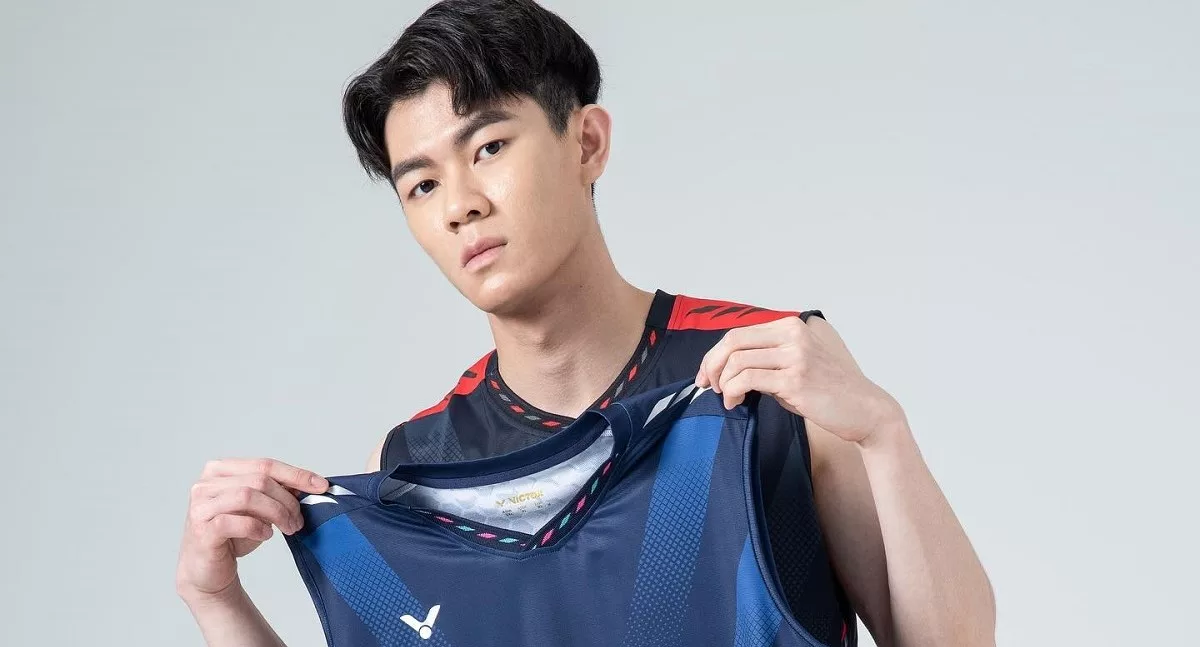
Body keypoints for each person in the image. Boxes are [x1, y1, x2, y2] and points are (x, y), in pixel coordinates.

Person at [175, 1, 997, 645]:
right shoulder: (418, 464)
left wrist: (884, 431)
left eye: (489, 147)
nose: (460, 204)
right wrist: (217, 600)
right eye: (421, 185)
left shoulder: (769, 367)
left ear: (587, 142)